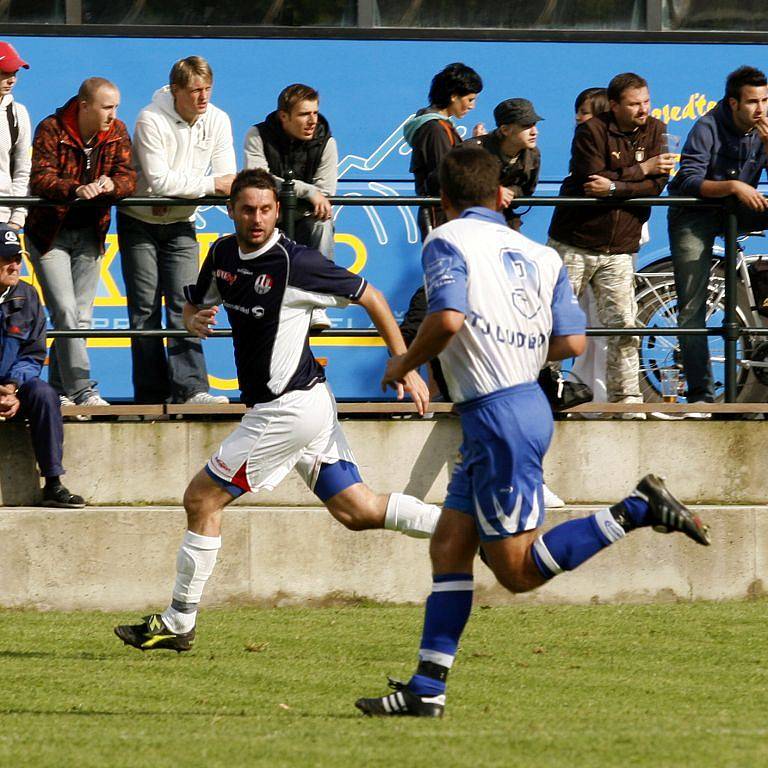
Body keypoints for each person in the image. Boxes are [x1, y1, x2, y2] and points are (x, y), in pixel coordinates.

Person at [355, 146, 711, 718]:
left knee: (516, 572)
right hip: (518, 406)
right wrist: (509, 350)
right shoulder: (539, 254)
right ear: (501, 195)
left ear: (443, 200)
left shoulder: (446, 240)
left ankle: (636, 510)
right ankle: (426, 690)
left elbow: (446, 319)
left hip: (497, 417)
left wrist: (403, 364)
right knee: (450, 545)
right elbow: (571, 343)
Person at [114, 168, 442, 653]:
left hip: (288, 409)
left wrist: (404, 363)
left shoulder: (296, 263)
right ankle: (464, 528)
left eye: (266, 210)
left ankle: (179, 622)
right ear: (231, 211)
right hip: (305, 405)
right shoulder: (223, 253)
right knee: (358, 511)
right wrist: (193, 317)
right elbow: (194, 304)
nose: (257, 219)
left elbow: (371, 296)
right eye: (248, 209)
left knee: (202, 500)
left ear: (276, 212)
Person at [547, 72, 675, 419]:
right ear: (615, 104)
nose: (643, 110)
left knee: (623, 324)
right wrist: (642, 169)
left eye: (646, 101)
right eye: (634, 104)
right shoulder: (591, 132)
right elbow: (592, 181)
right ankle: (545, 389)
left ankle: (627, 400)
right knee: (557, 320)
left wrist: (618, 186)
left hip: (620, 246)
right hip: (575, 241)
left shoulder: (658, 130)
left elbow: (657, 186)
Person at [117, 56, 236, 405]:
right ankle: (150, 399)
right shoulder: (150, 119)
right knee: (144, 311)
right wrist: (206, 184)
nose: (203, 98)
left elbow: (228, 178)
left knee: (188, 303)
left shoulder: (218, 119)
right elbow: (158, 180)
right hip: (139, 221)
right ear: (175, 91)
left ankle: (192, 390)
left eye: (208, 89)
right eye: (195, 90)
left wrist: (182, 190)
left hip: (182, 223)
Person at [26, 77, 136, 409]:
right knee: (64, 310)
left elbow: (128, 176)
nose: (113, 114)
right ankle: (83, 389)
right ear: (84, 105)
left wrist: (109, 185)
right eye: (107, 107)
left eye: (116, 106)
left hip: (91, 233)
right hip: (50, 234)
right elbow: (40, 177)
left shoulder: (117, 131)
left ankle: (60, 390)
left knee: (81, 317)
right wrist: (76, 189)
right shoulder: (51, 128)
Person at [668, 65, 768, 413]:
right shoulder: (707, 127)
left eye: (765, 100)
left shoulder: (764, 131)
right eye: (753, 102)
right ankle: (701, 397)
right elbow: (689, 180)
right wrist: (735, 186)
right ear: (732, 104)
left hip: (736, 209)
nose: (761, 109)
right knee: (691, 310)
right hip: (694, 214)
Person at [0, 224, 85, 507]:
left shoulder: (28, 295)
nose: (15, 265)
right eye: (6, 258)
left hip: (14, 386)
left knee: (45, 394)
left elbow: (34, 354)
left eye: (18, 258)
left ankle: (53, 483)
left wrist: (11, 388)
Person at [243, 83, 338, 330]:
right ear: (283, 116)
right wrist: (306, 191)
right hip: (267, 218)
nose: (312, 121)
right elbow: (256, 180)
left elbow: (326, 192)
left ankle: (318, 304)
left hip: (305, 217)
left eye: (315, 113)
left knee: (323, 222)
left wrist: (297, 197)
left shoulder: (326, 141)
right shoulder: (258, 135)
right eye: (304, 114)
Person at [403, 62, 484, 240]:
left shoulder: (439, 126)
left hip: (447, 214)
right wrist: (475, 145)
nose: (473, 106)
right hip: (442, 215)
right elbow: (445, 173)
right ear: (454, 96)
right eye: (470, 99)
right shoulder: (436, 128)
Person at [570, 87, 610, 405]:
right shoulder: (586, 145)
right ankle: (583, 388)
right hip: (584, 241)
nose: (578, 118)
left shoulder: (604, 146)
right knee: (584, 321)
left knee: (602, 322)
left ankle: (600, 394)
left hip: (607, 245)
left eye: (584, 112)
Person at [464, 97, 542, 230]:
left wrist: (511, 192)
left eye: (534, 125)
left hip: (506, 223)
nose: (534, 132)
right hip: (468, 224)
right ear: (505, 130)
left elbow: (527, 190)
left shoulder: (532, 154)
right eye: (526, 126)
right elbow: (446, 185)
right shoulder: (472, 150)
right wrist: (493, 192)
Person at [0, 41, 31, 232]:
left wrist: (18, 218)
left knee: (10, 264)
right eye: (5, 73)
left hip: (3, 218)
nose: (12, 80)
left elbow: (23, 169)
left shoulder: (18, 113)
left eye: (15, 73)